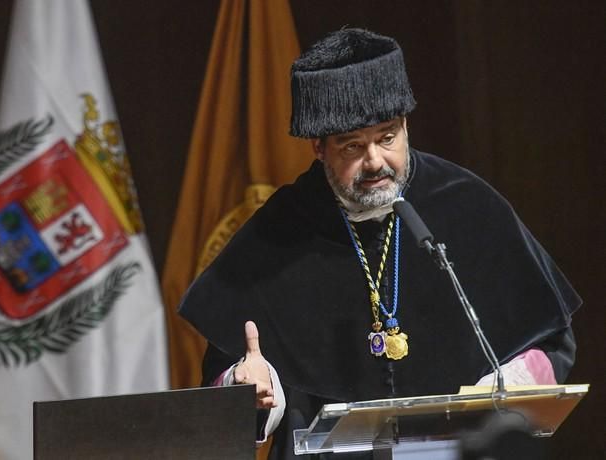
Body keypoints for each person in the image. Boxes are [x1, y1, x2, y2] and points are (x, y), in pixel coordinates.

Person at [179, 29, 580, 459]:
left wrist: (501, 394)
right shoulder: (278, 229)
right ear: (319, 147)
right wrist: (251, 387)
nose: (375, 162)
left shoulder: (467, 203)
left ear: (405, 126)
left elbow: (548, 341)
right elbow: (231, 381)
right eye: (352, 145)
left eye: (387, 138)